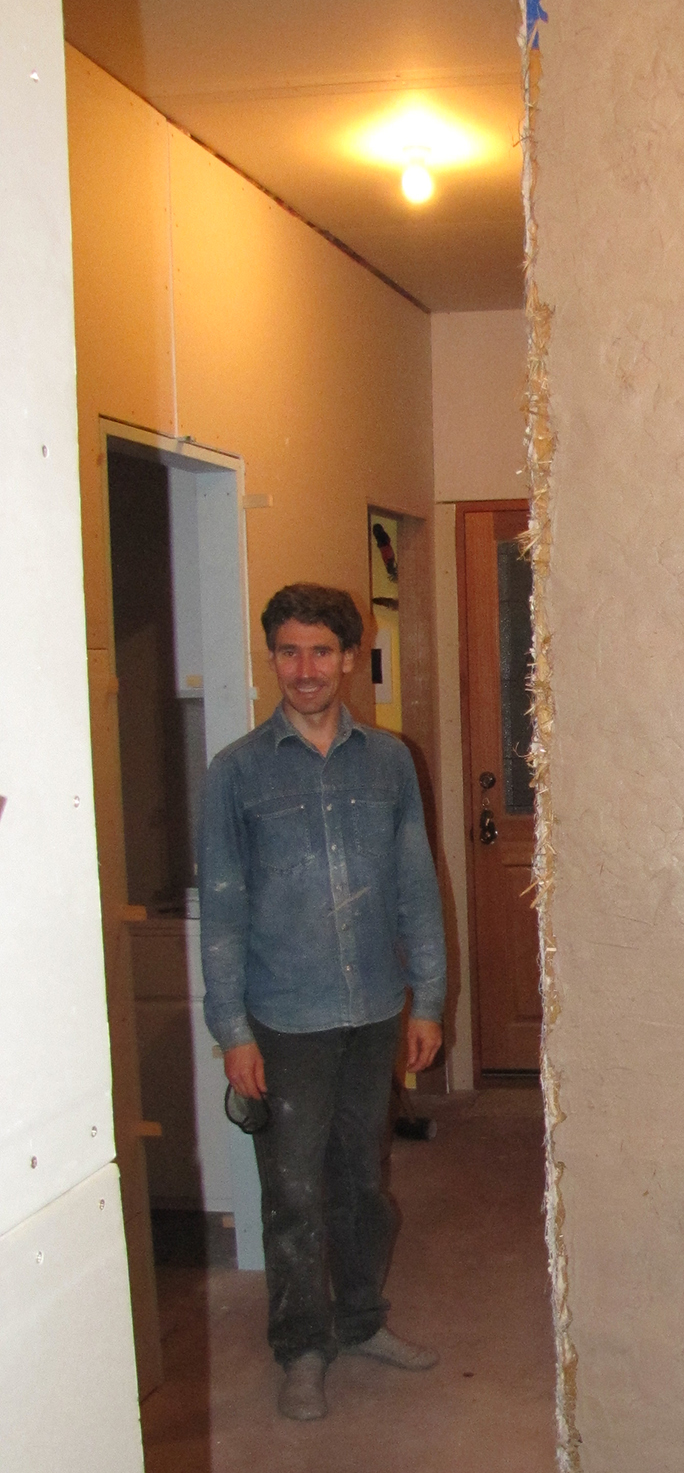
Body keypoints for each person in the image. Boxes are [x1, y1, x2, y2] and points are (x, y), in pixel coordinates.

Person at [199, 582, 448, 1422]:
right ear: (273, 657)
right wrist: (231, 1029)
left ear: (350, 658)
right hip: (286, 1021)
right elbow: (223, 912)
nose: (304, 670)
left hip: (375, 1011)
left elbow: (417, 887)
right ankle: (302, 1347)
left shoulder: (388, 763)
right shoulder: (235, 774)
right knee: (294, 1193)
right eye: (288, 652)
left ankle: (361, 1320)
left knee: (363, 1185)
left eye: (320, 652)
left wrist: (429, 1001)